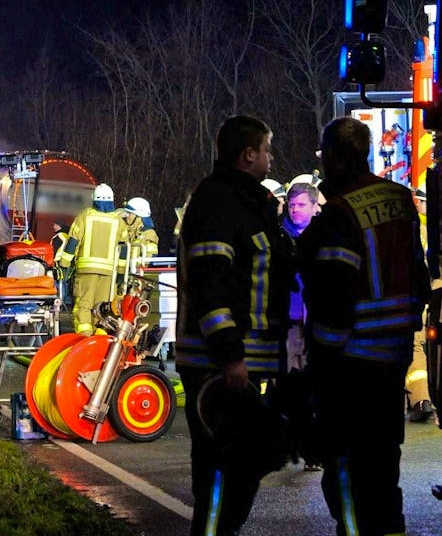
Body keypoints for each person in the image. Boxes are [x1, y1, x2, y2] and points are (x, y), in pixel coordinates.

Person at [298, 116, 430, 536]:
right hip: (393, 357)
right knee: (382, 468)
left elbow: (332, 293)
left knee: (344, 473)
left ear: (337, 157)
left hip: (349, 364)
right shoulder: (399, 199)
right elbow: (420, 277)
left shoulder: (339, 212)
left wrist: (321, 363)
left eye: (325, 157)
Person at [175, 114, 295, 536]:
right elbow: (211, 287)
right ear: (248, 154)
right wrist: (231, 359)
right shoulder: (219, 204)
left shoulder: (246, 203)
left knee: (243, 473)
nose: (270, 156)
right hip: (220, 369)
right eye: (266, 149)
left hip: (244, 364)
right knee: (219, 479)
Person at [279, 182, 322, 472]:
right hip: (291, 324)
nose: (295, 210)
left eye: (301, 205)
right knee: (293, 386)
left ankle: (314, 448)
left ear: (315, 206)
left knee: (318, 388)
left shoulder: (324, 236)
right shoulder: (280, 237)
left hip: (319, 322)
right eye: (292, 205)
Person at [57, 183, 131, 336]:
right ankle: (100, 341)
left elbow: (73, 242)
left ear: (94, 200)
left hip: (86, 272)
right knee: (102, 308)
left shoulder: (85, 216)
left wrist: (64, 264)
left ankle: (84, 339)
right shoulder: (119, 222)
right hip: (108, 274)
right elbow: (124, 250)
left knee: (83, 307)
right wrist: (121, 276)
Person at [407, 187, 437, 423]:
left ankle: (421, 399)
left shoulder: (416, 230)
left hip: (423, 297)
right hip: (432, 296)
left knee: (416, 347)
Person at [50, 220, 72, 305]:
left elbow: (53, 250)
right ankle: (65, 300)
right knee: (65, 282)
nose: (54, 227)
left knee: (59, 281)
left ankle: (59, 300)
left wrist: (50, 262)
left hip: (58, 262)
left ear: (60, 226)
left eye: (55, 225)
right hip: (67, 262)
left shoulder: (58, 236)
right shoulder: (67, 236)